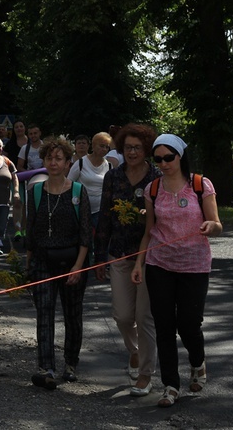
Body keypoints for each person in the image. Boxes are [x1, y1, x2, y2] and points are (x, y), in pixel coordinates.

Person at [132, 134, 221, 408]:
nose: (163, 163)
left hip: (194, 265)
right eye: (157, 159)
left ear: (180, 156)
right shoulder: (153, 189)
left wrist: (210, 227)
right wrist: (139, 262)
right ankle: (170, 385)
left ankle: (198, 363)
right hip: (160, 264)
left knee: (189, 324)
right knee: (164, 326)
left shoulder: (199, 185)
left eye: (168, 157)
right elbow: (149, 231)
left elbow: (217, 223)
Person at [94, 123, 160, 397]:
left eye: (137, 147)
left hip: (150, 256)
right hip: (119, 252)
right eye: (128, 147)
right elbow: (105, 218)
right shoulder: (113, 177)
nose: (132, 152)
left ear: (146, 150)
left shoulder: (156, 178)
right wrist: (100, 257)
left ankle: (146, 374)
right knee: (122, 315)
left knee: (145, 317)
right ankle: (133, 352)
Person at [25, 136, 92, 390]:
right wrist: (28, 264)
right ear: (43, 161)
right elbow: (31, 230)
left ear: (67, 162)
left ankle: (71, 363)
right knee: (44, 313)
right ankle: (46, 367)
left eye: (58, 158)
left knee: (72, 315)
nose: (53, 162)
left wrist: (79, 266)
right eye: (49, 158)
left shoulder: (78, 191)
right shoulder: (36, 191)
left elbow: (86, 233)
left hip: (72, 262)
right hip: (43, 260)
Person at [67, 132, 112, 229]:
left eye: (106, 147)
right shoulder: (81, 163)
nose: (104, 149)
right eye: (101, 146)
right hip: (80, 210)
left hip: (99, 211)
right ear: (94, 146)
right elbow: (68, 183)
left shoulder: (109, 166)